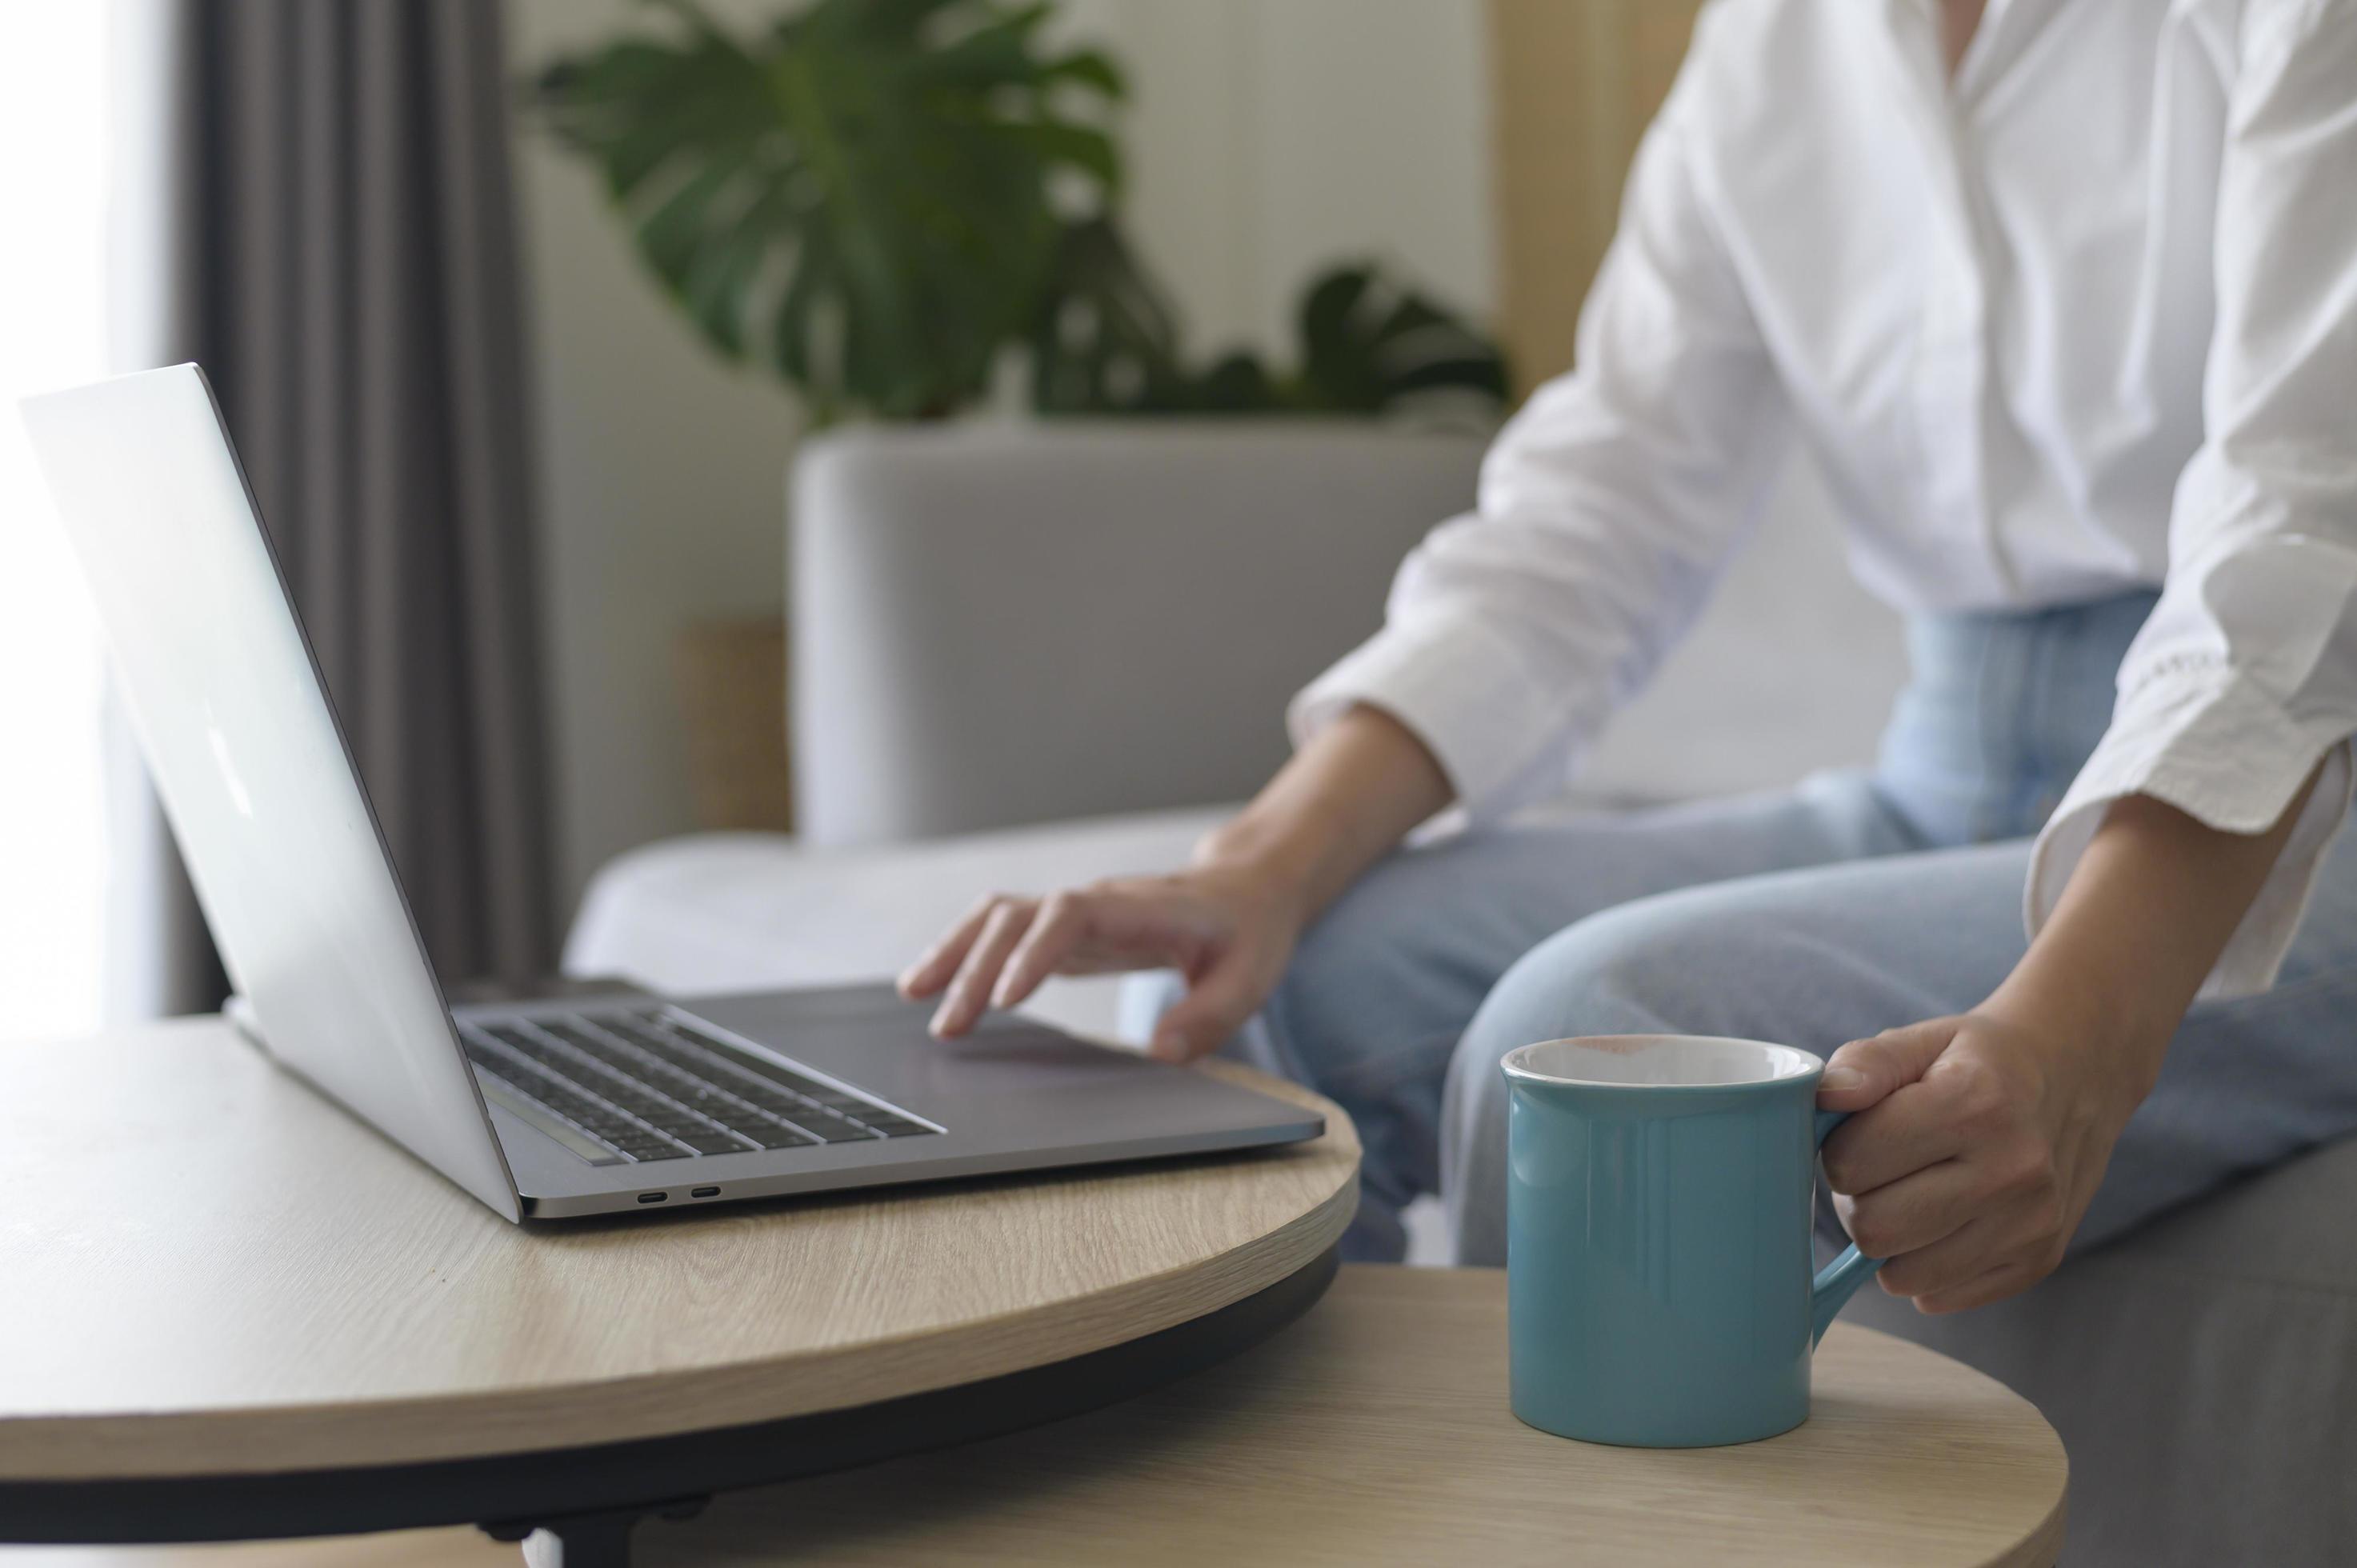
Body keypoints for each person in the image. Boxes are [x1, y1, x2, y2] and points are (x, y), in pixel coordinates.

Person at [902, 0, 2357, 1311]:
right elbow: (1600, 507)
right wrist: (1259, 865)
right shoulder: (1775, 42)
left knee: (1600, 1039)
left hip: (2295, 824)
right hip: (1948, 774)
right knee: (1278, 980)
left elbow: (2296, 544)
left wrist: (2083, 1032)